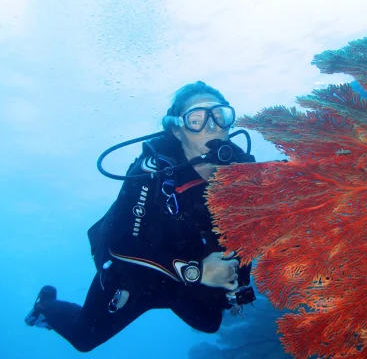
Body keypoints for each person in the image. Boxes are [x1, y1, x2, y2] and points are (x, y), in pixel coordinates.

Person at [24, 81, 256, 352]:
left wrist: (238, 281)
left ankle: (179, 286)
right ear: (177, 130)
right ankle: (46, 306)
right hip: (134, 271)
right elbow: (122, 245)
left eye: (220, 116)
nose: (212, 126)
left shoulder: (241, 174)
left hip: (183, 269)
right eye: (196, 119)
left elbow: (244, 234)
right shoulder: (152, 171)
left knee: (210, 321)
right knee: (83, 339)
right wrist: (197, 272)